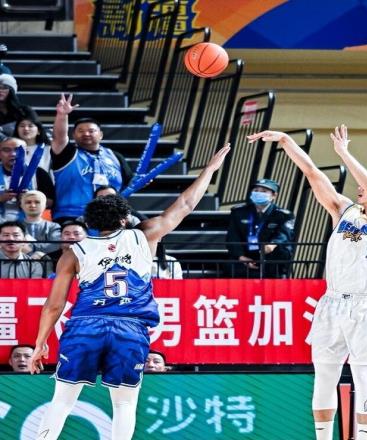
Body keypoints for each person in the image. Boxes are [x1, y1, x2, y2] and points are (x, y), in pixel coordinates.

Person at [29, 145, 230, 440]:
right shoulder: (145, 235)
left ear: (90, 223)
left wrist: (40, 343)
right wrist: (209, 170)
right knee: (124, 404)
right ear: (125, 219)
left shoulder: (74, 252)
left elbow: (53, 306)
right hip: (130, 327)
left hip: (86, 326)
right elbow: (186, 204)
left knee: (62, 401)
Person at [248, 126, 367, 440]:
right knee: (325, 377)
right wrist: (286, 142)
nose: (360, 187)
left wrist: (344, 153)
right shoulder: (343, 209)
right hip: (333, 302)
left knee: (364, 378)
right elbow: (312, 173)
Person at [50, 94, 133, 223]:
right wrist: (62, 115)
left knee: (145, 225)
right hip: (72, 215)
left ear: (101, 135)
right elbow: (59, 138)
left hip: (112, 214)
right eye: (80, 131)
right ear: (73, 135)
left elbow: (130, 184)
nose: (86, 133)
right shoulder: (67, 154)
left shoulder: (115, 156)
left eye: (91, 130)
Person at [225, 178, 295, 278]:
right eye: (256, 190)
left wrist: (272, 245)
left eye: (264, 191)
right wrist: (241, 257)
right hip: (245, 257)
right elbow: (233, 236)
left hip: (271, 259)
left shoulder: (283, 215)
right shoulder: (239, 212)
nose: (259, 193)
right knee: (231, 266)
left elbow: (284, 235)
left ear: (274, 195)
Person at [0, 137, 55, 222]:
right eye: (6, 150)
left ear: (27, 152)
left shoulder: (39, 173)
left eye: (18, 150)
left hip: (30, 222)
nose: (13, 154)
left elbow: (51, 202)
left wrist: (31, 198)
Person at [20, 190, 61, 256]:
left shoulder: (54, 226)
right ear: (21, 205)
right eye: (28, 202)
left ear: (45, 205)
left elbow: (56, 245)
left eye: (37, 202)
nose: (32, 205)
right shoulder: (14, 227)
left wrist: (32, 247)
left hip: (47, 261)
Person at [0, 73, 38, 141]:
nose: (0, 90)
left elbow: (34, 131)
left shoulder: (25, 111)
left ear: (11, 90)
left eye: (4, 87)